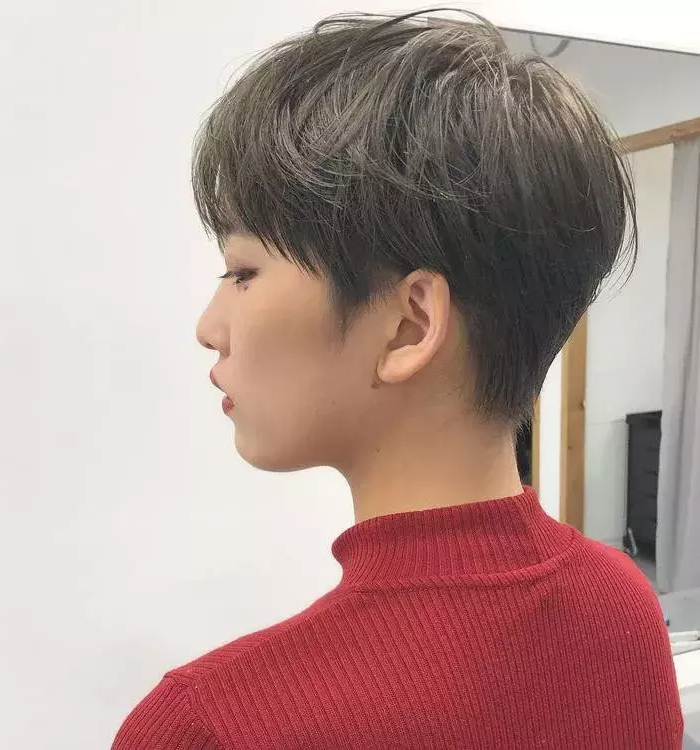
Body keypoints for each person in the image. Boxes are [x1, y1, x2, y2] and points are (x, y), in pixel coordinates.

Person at [112, 10, 682, 749]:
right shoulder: (622, 606)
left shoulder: (211, 727)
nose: (209, 326)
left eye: (243, 272)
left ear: (410, 326)